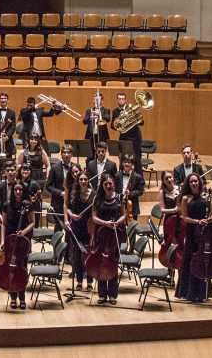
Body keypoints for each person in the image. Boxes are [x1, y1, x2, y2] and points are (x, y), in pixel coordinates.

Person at [175, 173, 212, 303]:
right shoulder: (185, 198)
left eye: (196, 181)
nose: (194, 183)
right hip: (192, 233)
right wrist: (198, 221)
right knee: (191, 261)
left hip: (203, 233)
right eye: (191, 182)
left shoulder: (206, 197)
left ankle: (202, 293)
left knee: (202, 261)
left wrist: (209, 219)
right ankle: (189, 293)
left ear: (199, 182)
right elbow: (184, 217)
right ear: (188, 184)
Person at [0, 180, 36, 310]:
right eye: (16, 190)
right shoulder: (6, 205)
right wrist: (2, 241)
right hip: (9, 239)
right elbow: (3, 224)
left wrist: (23, 232)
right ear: (13, 191)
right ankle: (13, 297)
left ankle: (22, 297)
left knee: (22, 269)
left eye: (20, 190)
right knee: (10, 268)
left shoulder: (28, 205)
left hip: (23, 241)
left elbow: (32, 223)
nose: (18, 192)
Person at [91, 174, 125, 304]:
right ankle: (102, 294)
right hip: (101, 234)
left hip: (115, 235)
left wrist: (117, 222)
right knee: (101, 263)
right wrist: (105, 223)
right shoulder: (97, 199)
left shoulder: (119, 198)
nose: (108, 186)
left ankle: (112, 294)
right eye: (106, 184)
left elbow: (124, 215)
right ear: (102, 185)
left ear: (114, 184)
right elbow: (94, 217)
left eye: (110, 183)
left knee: (113, 264)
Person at [65, 170, 94, 292]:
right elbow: (67, 208)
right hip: (76, 227)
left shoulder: (93, 194)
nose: (83, 181)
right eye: (81, 179)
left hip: (88, 227)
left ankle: (90, 281)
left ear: (88, 181)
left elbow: (95, 212)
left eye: (85, 179)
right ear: (78, 181)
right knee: (77, 256)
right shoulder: (74, 192)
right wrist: (72, 216)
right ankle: (79, 281)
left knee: (88, 255)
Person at [113, 91, 144, 173]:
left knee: (137, 160)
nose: (121, 100)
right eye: (119, 99)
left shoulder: (131, 109)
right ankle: (122, 179)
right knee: (123, 159)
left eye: (123, 99)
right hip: (123, 138)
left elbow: (142, 122)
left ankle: (139, 182)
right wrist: (118, 124)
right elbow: (113, 126)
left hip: (135, 138)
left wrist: (134, 120)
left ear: (125, 100)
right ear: (117, 100)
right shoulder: (115, 111)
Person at [45, 145, 74, 226]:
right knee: (59, 227)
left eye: (68, 152)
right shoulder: (54, 168)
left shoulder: (75, 167)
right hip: (58, 203)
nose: (66, 155)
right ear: (61, 154)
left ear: (72, 154)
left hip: (72, 203)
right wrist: (61, 193)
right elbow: (48, 186)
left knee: (72, 227)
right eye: (64, 152)